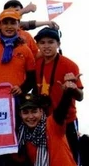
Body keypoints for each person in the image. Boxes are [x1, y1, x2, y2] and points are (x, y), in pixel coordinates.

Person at [34, 27, 84, 164]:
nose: (46, 46)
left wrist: (73, 88)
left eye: (51, 42)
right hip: (45, 120)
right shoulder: (37, 62)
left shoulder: (69, 65)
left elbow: (80, 97)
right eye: (42, 43)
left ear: (58, 44)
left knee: (71, 156)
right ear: (37, 45)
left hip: (67, 120)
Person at [14, 78, 80, 165]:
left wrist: (67, 93)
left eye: (34, 111)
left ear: (41, 111)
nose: (30, 117)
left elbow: (61, 111)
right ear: (20, 114)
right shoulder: (22, 136)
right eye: (25, 113)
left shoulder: (51, 124)